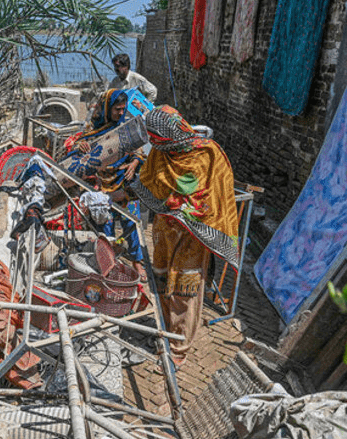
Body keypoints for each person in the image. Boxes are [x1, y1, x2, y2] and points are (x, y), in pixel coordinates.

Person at [128, 105, 239, 366]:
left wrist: (180, 206)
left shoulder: (207, 154)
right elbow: (151, 180)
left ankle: (179, 348)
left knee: (184, 291)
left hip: (194, 235)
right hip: (166, 230)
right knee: (164, 283)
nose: (155, 146)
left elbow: (213, 197)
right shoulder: (161, 151)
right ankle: (167, 333)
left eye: (158, 140)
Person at [64, 89, 148, 281]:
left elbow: (138, 151)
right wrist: (80, 146)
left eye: (123, 109)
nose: (120, 113)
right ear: (107, 108)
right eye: (117, 109)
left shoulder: (126, 126)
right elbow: (75, 150)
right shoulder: (93, 128)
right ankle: (108, 263)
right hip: (100, 185)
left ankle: (137, 262)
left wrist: (134, 163)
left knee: (131, 223)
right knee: (104, 227)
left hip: (123, 183)